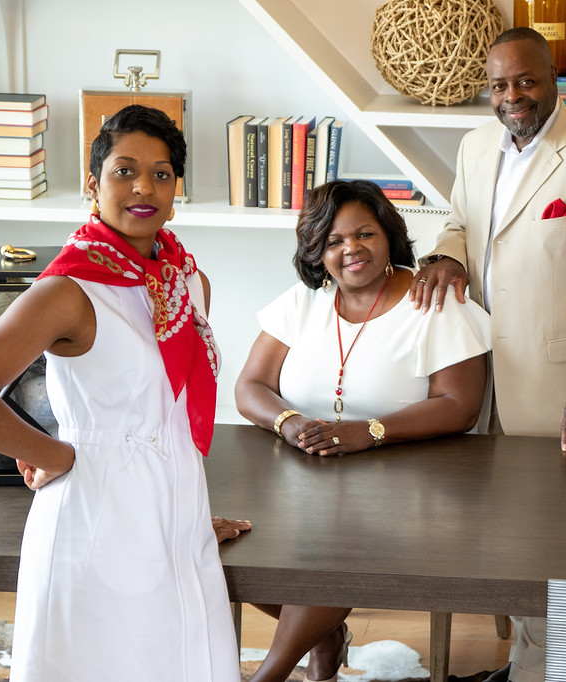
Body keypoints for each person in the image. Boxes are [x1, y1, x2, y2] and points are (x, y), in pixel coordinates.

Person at [0, 105, 247, 681]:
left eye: (161, 173)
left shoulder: (188, 282)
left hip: (178, 519)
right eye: (124, 171)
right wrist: (56, 454)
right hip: (94, 515)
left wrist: (185, 509)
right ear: (93, 184)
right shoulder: (69, 290)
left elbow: (170, 412)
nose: (143, 187)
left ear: (176, 189)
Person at [410, 27, 566, 682]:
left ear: (553, 79)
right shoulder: (474, 145)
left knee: (563, 540)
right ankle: (527, 664)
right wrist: (446, 255)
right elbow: (460, 222)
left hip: (560, 386)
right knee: (503, 533)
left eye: (525, 81)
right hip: (479, 375)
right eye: (499, 85)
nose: (512, 95)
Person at [234, 179, 491, 682]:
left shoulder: (435, 301)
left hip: (410, 489)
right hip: (303, 481)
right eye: (333, 241)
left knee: (334, 547)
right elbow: (250, 386)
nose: (350, 249)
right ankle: (323, 636)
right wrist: (289, 423)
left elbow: (460, 406)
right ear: (317, 252)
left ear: (388, 235)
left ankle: (272, 673)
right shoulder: (304, 301)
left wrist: (369, 431)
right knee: (223, 536)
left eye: (364, 234)